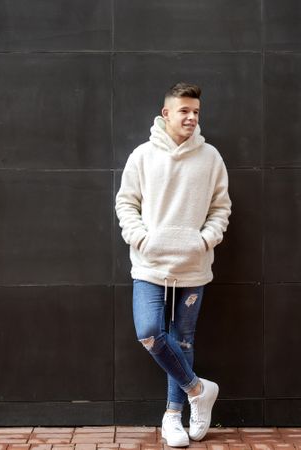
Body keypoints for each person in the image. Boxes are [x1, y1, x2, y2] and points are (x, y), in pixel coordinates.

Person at [115, 82, 232, 447]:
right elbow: (125, 204)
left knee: (182, 340)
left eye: (196, 111)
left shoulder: (210, 157)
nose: (191, 117)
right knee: (149, 330)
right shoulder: (142, 156)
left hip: (193, 265)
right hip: (150, 265)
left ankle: (172, 417)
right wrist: (142, 239)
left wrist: (204, 241)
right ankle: (199, 389)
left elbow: (221, 208)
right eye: (184, 111)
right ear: (166, 113)